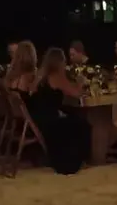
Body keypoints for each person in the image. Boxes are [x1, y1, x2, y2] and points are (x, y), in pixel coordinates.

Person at [29, 47, 91, 175]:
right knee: (83, 124)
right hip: (51, 122)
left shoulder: (41, 76)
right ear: (59, 62)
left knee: (74, 116)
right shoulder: (57, 77)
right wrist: (80, 82)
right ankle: (83, 158)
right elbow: (77, 94)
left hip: (39, 119)